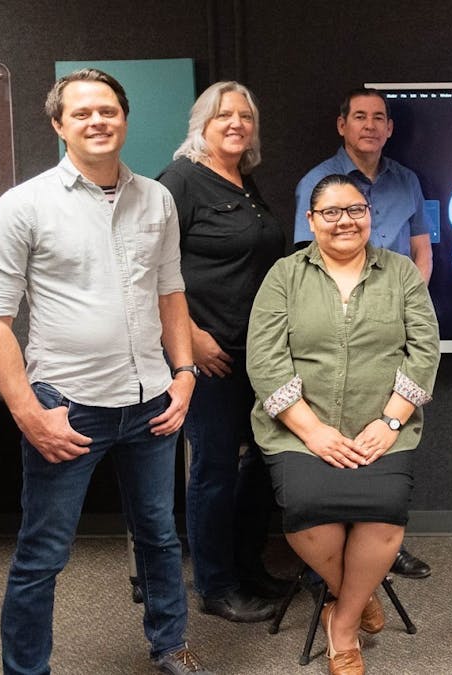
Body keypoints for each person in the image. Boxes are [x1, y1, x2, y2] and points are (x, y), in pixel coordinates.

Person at [0, 69, 211, 674]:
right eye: (81, 113)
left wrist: (184, 373)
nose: (97, 121)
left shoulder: (156, 199)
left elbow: (171, 292)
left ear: (124, 119)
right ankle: (26, 670)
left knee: (159, 535)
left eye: (108, 110)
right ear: (59, 125)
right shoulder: (23, 206)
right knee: (44, 553)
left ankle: (169, 644)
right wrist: (29, 414)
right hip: (67, 406)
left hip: (152, 400)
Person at [247, 174, 439, 675]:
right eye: (330, 213)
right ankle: (355, 593)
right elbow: (265, 359)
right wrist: (312, 430)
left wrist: (391, 421)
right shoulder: (284, 276)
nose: (345, 221)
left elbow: (424, 351)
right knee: (307, 512)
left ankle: (344, 624)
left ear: (369, 215)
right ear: (311, 221)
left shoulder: (401, 273)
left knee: (384, 513)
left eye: (355, 210)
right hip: (297, 429)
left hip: (382, 426)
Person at [157, 81, 291, 623]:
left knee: (263, 458)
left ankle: (247, 565)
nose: (236, 124)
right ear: (202, 124)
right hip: (209, 353)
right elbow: (149, 270)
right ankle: (216, 585)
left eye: (245, 116)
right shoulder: (180, 180)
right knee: (212, 468)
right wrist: (191, 336)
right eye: (223, 115)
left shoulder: (244, 179)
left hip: (257, 351)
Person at [294, 86, 435, 577]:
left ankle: (383, 545)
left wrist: (406, 308)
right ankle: (336, 556)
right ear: (342, 125)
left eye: (379, 117)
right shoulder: (316, 182)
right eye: (359, 116)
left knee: (388, 428)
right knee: (336, 425)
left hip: (392, 325)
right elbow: (307, 262)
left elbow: (422, 252)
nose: (370, 125)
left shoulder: (408, 181)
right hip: (335, 329)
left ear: (390, 128)